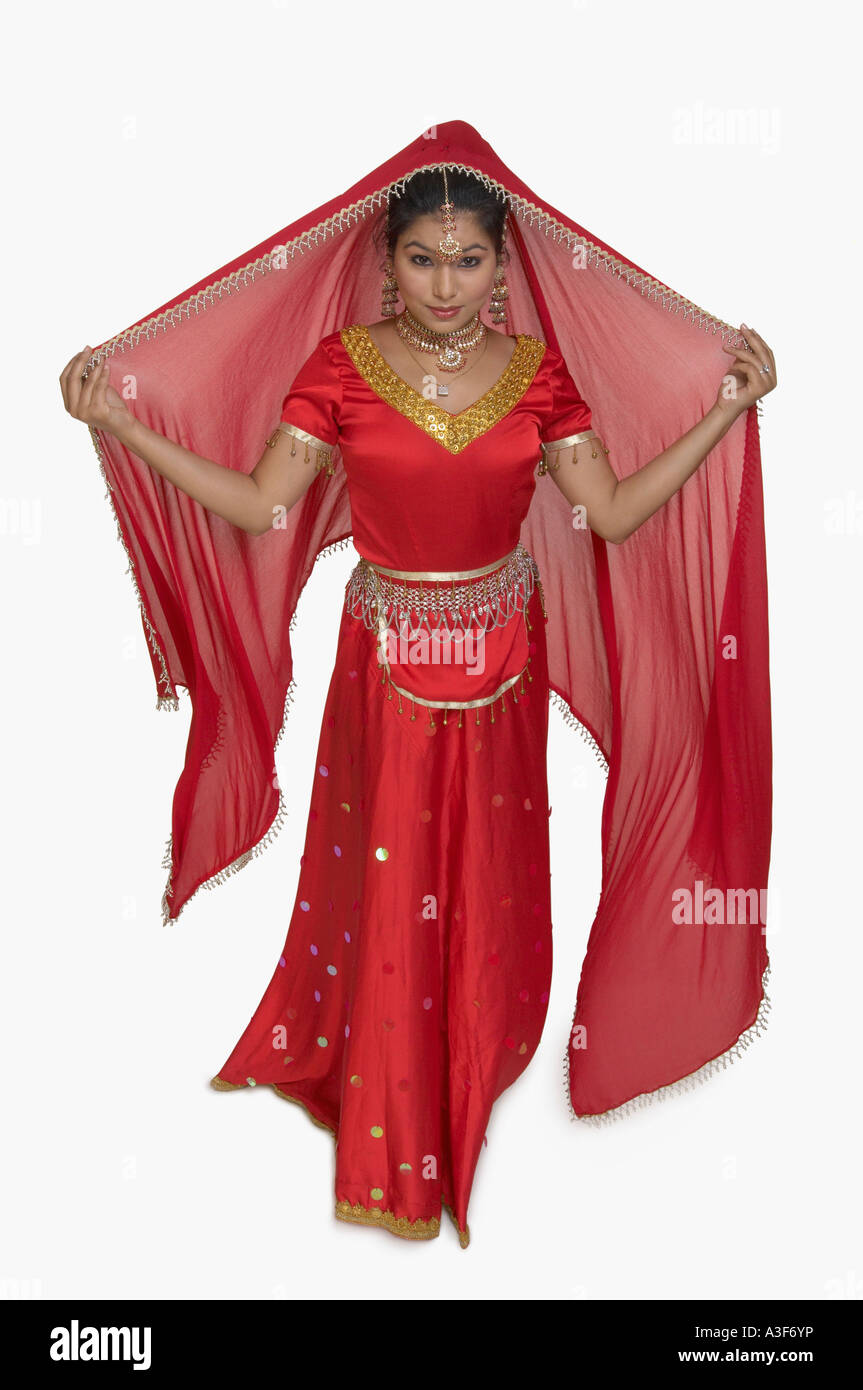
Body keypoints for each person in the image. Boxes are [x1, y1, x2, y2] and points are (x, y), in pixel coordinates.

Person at [59, 123, 777, 1248]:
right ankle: (391, 1129)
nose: (446, 286)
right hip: (388, 659)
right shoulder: (342, 366)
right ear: (385, 261)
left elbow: (619, 511)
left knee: (484, 871)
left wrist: (727, 410)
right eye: (423, 260)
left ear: (504, 266)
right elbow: (259, 507)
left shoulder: (539, 374)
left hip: (502, 656)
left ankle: (467, 1066)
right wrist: (121, 423)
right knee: (393, 878)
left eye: (470, 260)